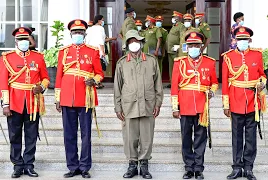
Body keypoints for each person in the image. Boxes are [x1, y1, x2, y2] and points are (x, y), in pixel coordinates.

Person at [55, 19, 104, 179]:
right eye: (75, 32)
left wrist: (94, 80)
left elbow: (99, 73)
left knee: (85, 135)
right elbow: (59, 76)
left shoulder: (93, 51)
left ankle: (84, 167)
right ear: (70, 34)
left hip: (85, 98)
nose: (78, 35)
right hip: (67, 98)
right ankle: (72, 166)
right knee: (69, 134)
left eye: (81, 32)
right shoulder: (64, 51)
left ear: (85, 34)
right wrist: (58, 98)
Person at [0, 27, 50, 178]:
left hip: (33, 102)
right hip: (14, 101)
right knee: (14, 135)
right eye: (20, 39)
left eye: (25, 39)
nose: (23, 42)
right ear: (15, 41)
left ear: (29, 40)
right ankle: (17, 165)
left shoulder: (38, 57)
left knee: (31, 135)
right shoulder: (6, 58)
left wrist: (41, 87)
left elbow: (46, 78)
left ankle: (29, 164)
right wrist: (5, 104)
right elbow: (3, 83)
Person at [114, 29, 163, 179]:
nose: (134, 44)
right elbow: (117, 86)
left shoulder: (151, 60)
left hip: (148, 104)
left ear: (141, 43)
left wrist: (158, 104)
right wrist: (118, 107)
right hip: (129, 106)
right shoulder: (122, 63)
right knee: (130, 137)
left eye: (137, 41)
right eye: (131, 41)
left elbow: (158, 85)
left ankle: (144, 165)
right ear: (127, 44)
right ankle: (132, 165)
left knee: (147, 137)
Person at [171, 32, 218, 180]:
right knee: (186, 138)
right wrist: (175, 107)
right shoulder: (180, 62)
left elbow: (215, 82)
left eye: (196, 45)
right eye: (190, 45)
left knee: (200, 139)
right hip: (184, 106)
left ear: (201, 46)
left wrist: (212, 91)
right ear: (187, 47)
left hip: (202, 107)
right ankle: (188, 168)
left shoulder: (209, 62)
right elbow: (174, 87)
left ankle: (198, 168)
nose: (193, 47)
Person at [222, 26, 266, 180]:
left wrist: (262, 83)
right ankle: (236, 168)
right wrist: (226, 104)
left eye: (244, 40)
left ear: (249, 40)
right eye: (239, 39)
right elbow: (226, 84)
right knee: (237, 137)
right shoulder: (228, 57)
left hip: (253, 102)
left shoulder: (257, 55)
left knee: (251, 138)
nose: (242, 42)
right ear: (235, 40)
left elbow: (262, 75)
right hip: (235, 101)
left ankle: (248, 168)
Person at [166, 11, 185, 88]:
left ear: (179, 18)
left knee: (177, 67)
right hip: (170, 50)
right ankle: (172, 82)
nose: (173, 18)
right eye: (173, 17)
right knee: (171, 68)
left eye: (174, 17)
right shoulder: (174, 26)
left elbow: (182, 37)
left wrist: (179, 47)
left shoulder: (181, 26)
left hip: (176, 50)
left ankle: (179, 82)